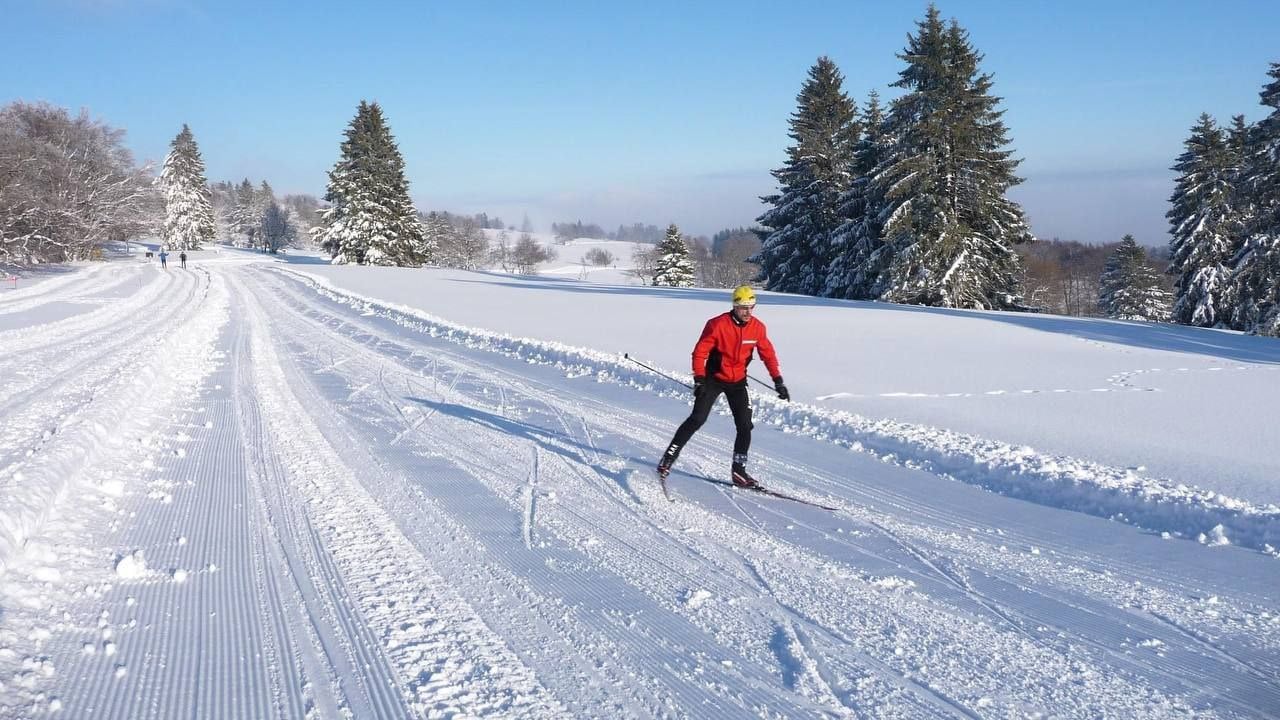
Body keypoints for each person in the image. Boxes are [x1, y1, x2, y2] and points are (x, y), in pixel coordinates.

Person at [657, 285, 789, 488]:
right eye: (744, 307)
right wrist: (699, 379)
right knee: (697, 419)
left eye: (751, 307)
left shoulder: (758, 328)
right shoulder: (717, 324)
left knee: (745, 426)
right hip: (713, 379)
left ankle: (738, 471)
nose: (748, 312)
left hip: (738, 382)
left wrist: (778, 381)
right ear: (735, 306)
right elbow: (700, 352)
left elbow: (768, 354)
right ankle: (668, 459)